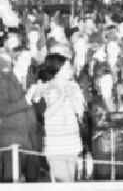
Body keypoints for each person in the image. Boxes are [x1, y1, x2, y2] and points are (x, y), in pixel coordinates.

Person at [0, 49, 41, 182]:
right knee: (10, 182)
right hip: (12, 140)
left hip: (32, 141)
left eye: (29, 59)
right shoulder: (4, 79)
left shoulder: (33, 80)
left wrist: (39, 100)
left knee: (33, 183)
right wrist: (25, 100)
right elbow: (2, 109)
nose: (27, 62)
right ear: (15, 61)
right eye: (24, 59)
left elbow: (38, 110)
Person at [35, 53, 84, 182]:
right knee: (64, 182)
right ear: (58, 70)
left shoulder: (73, 86)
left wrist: (76, 97)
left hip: (72, 140)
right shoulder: (45, 88)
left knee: (71, 181)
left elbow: (80, 112)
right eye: (67, 68)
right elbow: (45, 115)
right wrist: (62, 97)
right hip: (56, 143)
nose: (70, 70)